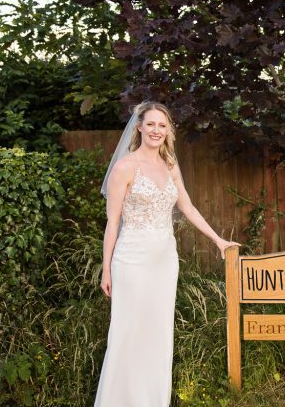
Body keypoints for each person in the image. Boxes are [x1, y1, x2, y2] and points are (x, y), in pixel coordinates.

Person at [94, 102, 239, 407]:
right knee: (129, 333)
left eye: (162, 125)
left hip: (164, 261)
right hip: (132, 261)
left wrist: (217, 240)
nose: (156, 130)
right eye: (151, 124)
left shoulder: (170, 164)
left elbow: (186, 205)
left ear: (168, 130)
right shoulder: (125, 167)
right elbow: (113, 223)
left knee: (158, 335)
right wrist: (106, 270)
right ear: (139, 127)